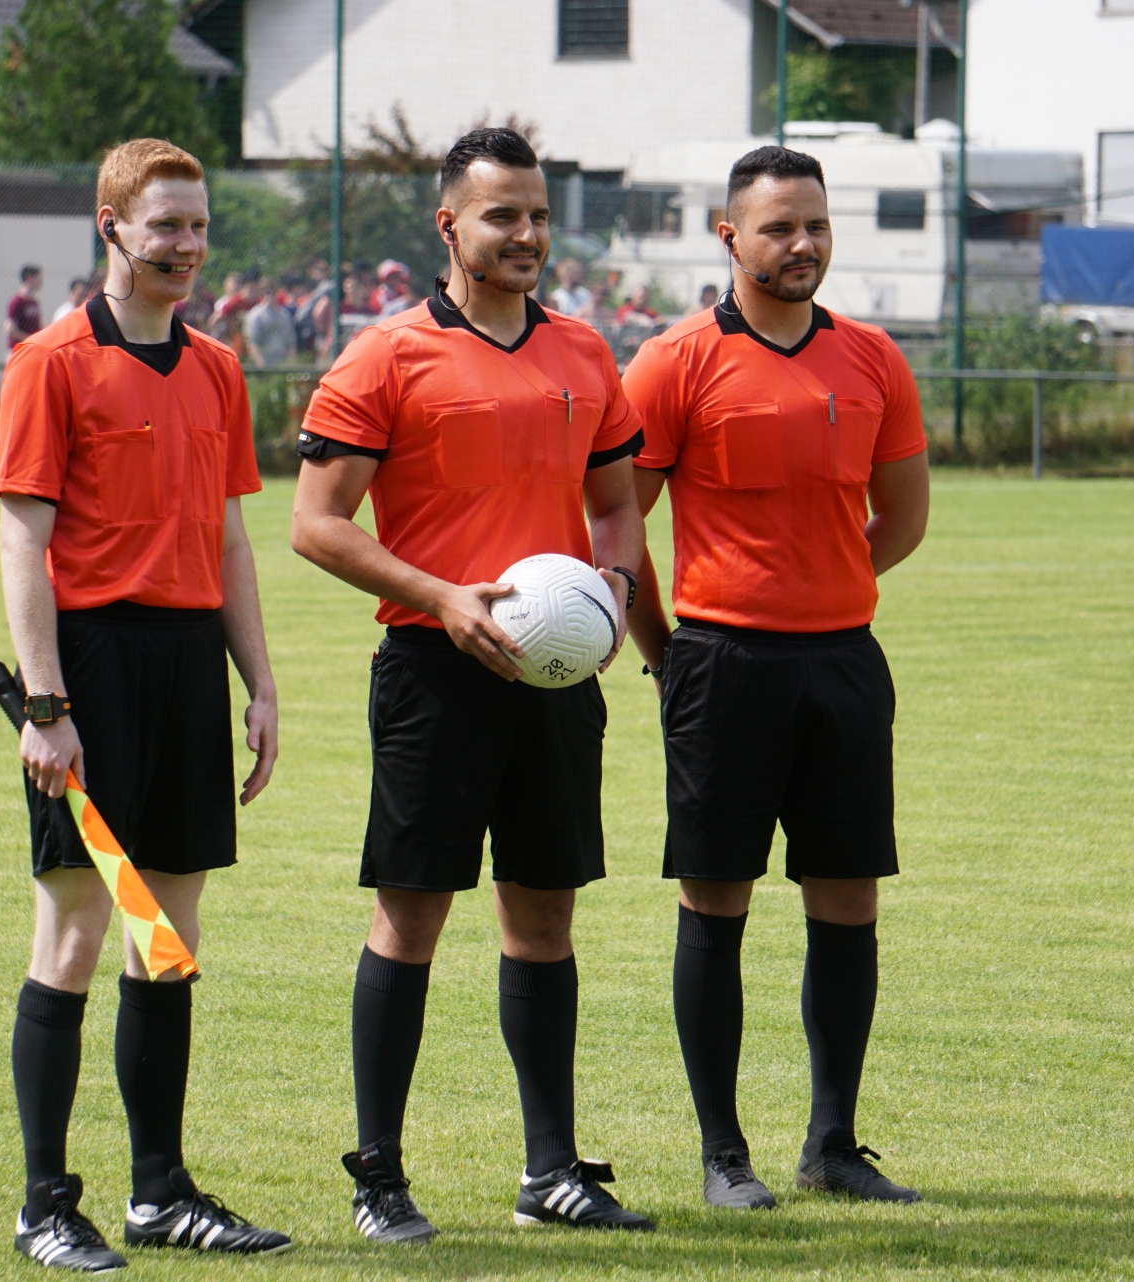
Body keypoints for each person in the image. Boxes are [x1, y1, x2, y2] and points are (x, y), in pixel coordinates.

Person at [290, 127, 653, 1243]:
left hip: (554, 682)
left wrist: (615, 596)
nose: (528, 234)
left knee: (544, 918)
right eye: (504, 215)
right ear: (450, 225)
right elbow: (315, 523)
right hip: (431, 674)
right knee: (411, 920)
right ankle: (378, 1177)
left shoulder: (585, 352)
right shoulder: (385, 355)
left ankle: (553, 1171)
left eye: (538, 214)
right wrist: (442, 595)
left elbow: (616, 507)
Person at [0, 136, 291, 1271]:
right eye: (166, 225)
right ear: (110, 226)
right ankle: (44, 1205)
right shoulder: (51, 362)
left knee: (167, 938)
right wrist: (46, 702)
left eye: (199, 226)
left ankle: (159, 1194)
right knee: (75, 930)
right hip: (93, 671)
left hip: (186, 667)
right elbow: (23, 540)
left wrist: (258, 680)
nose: (187, 245)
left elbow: (230, 537)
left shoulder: (217, 368)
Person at [622, 145, 931, 1212]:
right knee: (717, 899)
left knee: (848, 898)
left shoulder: (875, 359)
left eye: (817, 225)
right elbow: (618, 524)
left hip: (845, 662)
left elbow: (904, 517)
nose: (803, 245)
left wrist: (826, 580)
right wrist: (665, 650)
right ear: (729, 237)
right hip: (720, 663)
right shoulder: (673, 361)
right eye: (779, 228)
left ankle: (833, 1145)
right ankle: (723, 1156)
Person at [244, 283, 297, 367]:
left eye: (273, 292)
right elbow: (252, 343)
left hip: (282, 361)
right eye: (267, 293)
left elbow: (291, 341)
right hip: (264, 361)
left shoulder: (284, 314)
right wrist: (261, 365)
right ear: (261, 295)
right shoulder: (255, 315)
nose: (270, 296)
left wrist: (290, 364)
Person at [8, 264, 45, 348]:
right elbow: (11, 329)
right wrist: (29, 339)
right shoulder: (17, 301)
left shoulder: (34, 302)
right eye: (38, 279)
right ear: (29, 278)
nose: (40, 282)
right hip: (19, 348)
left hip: (32, 347)